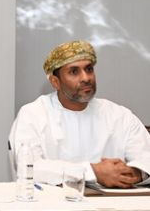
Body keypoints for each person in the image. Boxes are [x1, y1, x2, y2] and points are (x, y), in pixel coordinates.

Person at [9, 40, 150, 188]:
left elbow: (146, 158)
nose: (86, 78)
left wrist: (135, 173)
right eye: (74, 72)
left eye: (89, 69)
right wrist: (93, 172)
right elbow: (29, 167)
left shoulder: (119, 115)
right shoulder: (33, 114)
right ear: (55, 82)